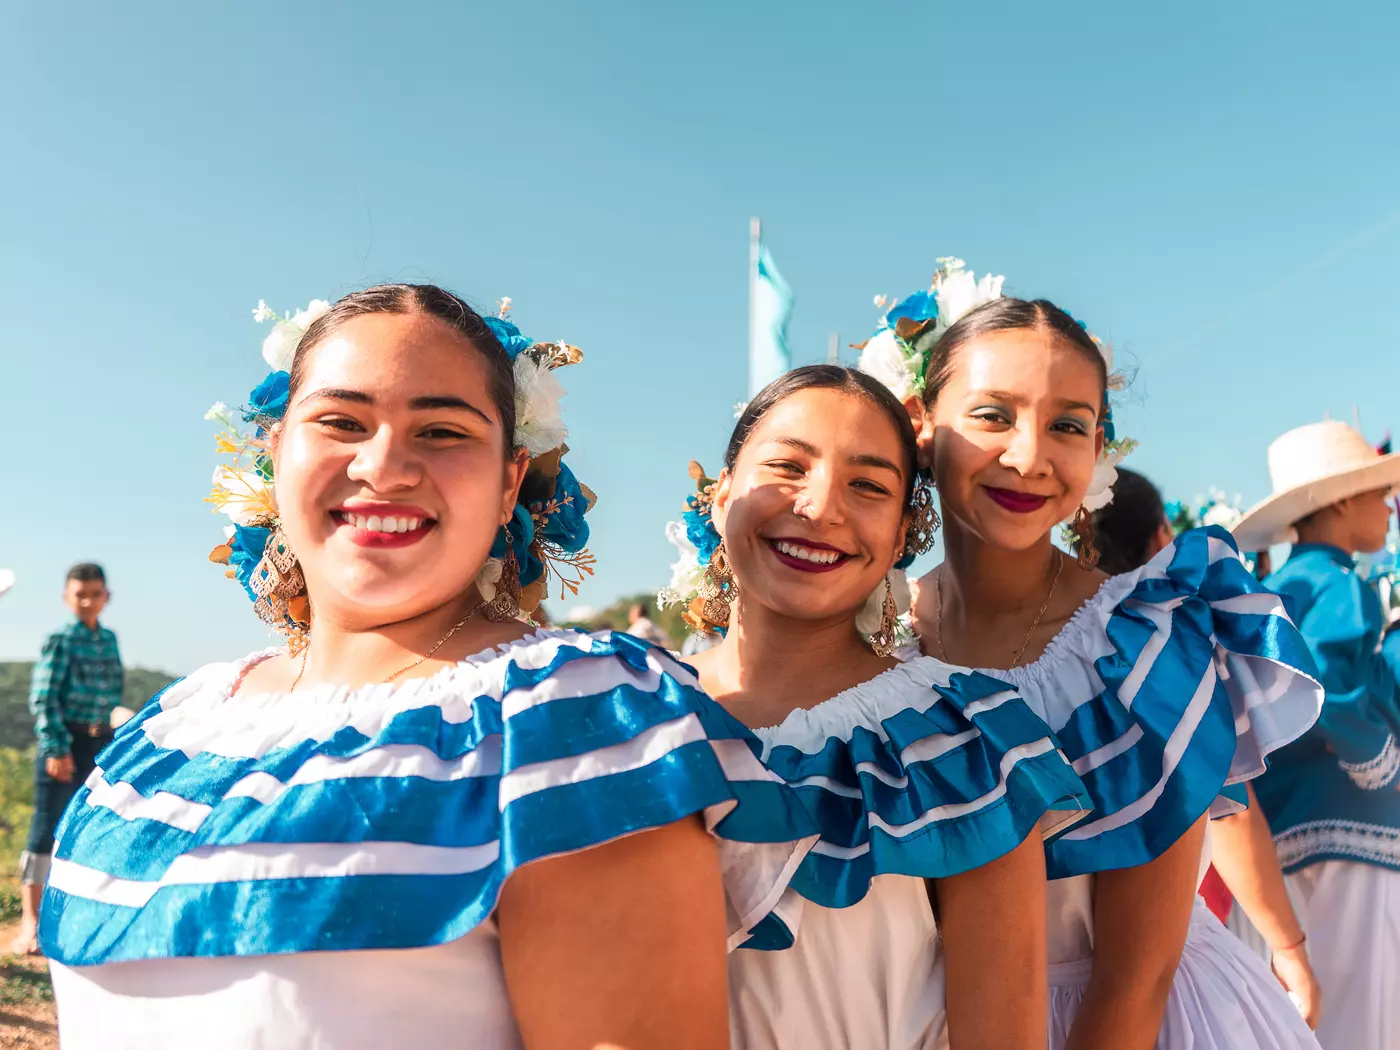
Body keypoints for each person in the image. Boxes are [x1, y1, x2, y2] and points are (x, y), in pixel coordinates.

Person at [40, 285, 815, 1050]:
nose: (384, 464)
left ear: (511, 480)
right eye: (341, 421)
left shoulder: (576, 719)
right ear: (275, 453)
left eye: (442, 430)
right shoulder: (171, 728)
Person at [861, 261, 1324, 1050]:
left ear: (1099, 446)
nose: (1030, 454)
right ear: (921, 425)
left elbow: (1136, 979)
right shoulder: (870, 632)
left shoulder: (1141, 644)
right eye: (993, 415)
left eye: (1069, 424)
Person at [663, 364, 1091, 1049]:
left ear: (899, 537)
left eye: (868, 485)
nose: (820, 507)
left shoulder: (962, 735)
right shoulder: (628, 721)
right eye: (787, 466)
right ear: (720, 497)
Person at [1089, 467, 1322, 1029]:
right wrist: (1289, 948)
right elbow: (1233, 815)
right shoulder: (1164, 656)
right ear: (1158, 542)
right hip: (1166, 974)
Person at [1234, 420, 1400, 1050]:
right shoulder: (1340, 585)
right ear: (1338, 502)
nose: (1389, 508)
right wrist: (1379, 765)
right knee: (1366, 1019)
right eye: (1375, 493)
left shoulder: (1270, 591)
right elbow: (1329, 679)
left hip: (1280, 831)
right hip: (1352, 826)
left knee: (1308, 1018)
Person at [12, 562, 123, 957]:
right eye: (80, 594)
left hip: (100, 741)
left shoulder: (108, 639)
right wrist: (56, 748)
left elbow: (111, 693)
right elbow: (43, 698)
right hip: (64, 741)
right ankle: (30, 919)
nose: (88, 600)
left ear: (106, 597)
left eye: (95, 593)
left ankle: (77, 915)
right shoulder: (60, 638)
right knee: (45, 828)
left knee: (90, 825)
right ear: (67, 597)